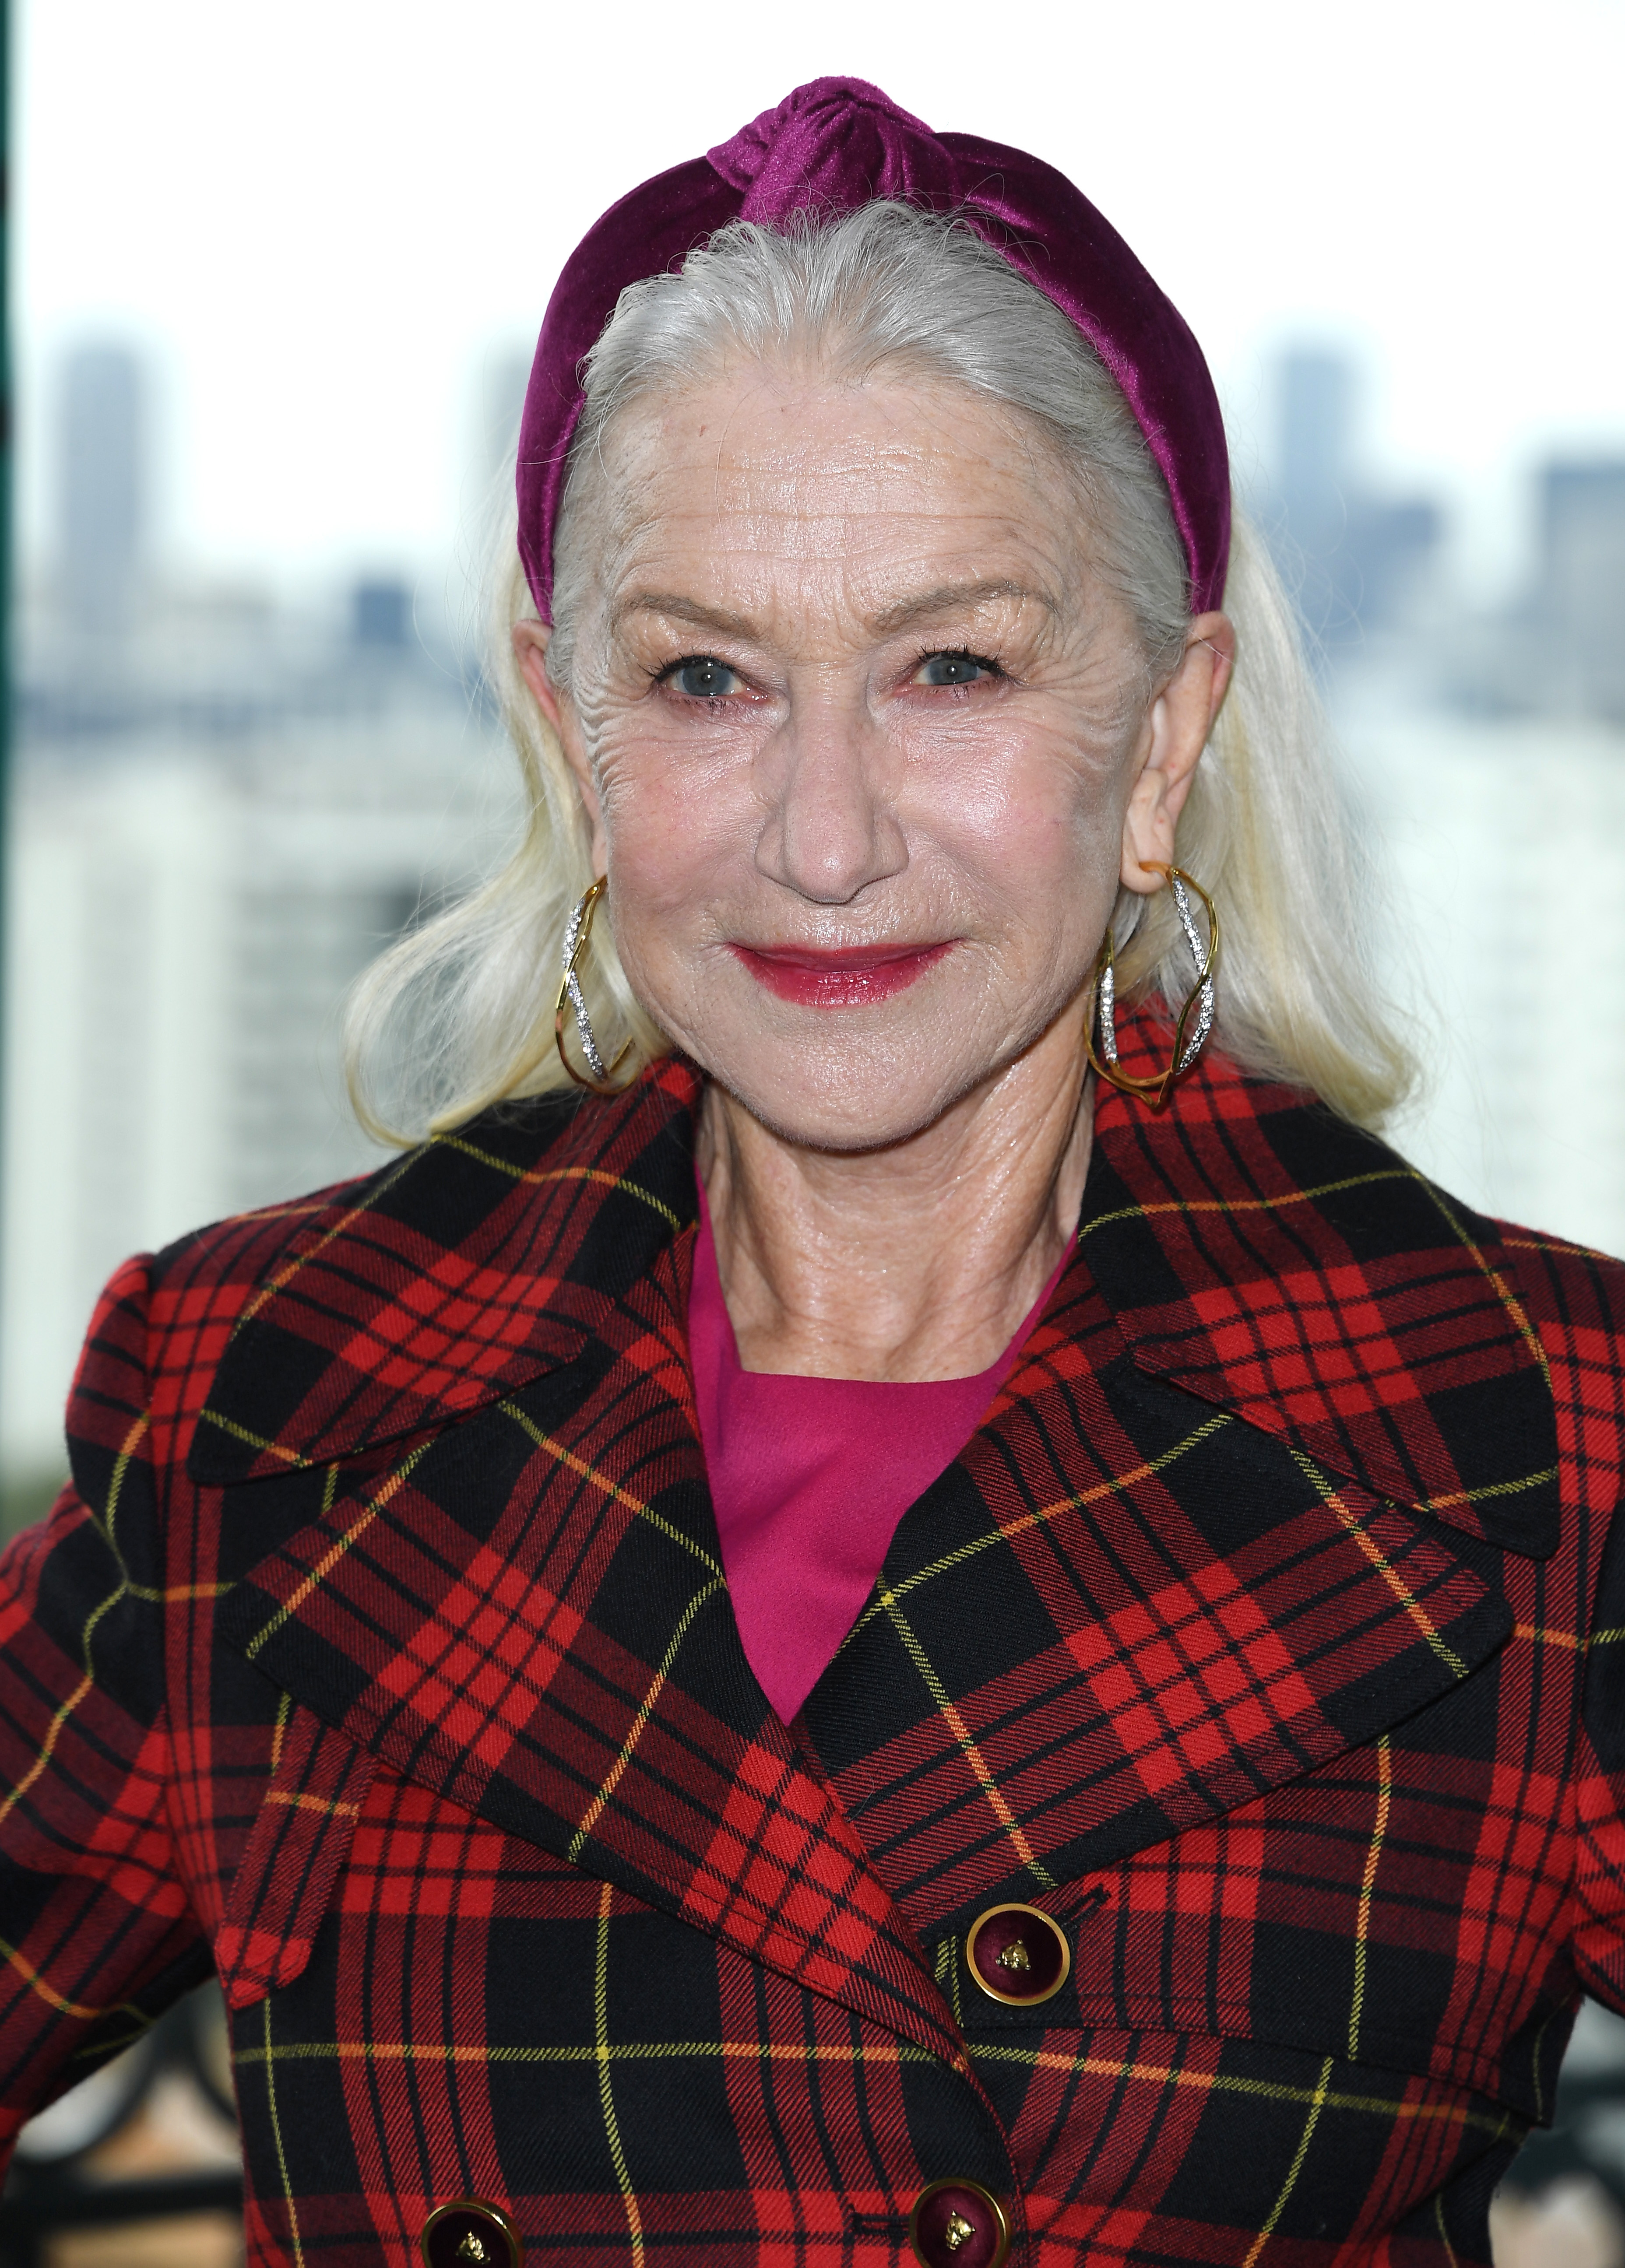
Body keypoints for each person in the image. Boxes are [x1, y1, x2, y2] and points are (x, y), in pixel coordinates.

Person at [0, 75, 1620, 2268]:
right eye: (703, 681)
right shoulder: (267, 1406)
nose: (827, 837)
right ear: (564, 725)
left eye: (952, 667)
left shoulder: (1540, 1448)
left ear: (1160, 741)